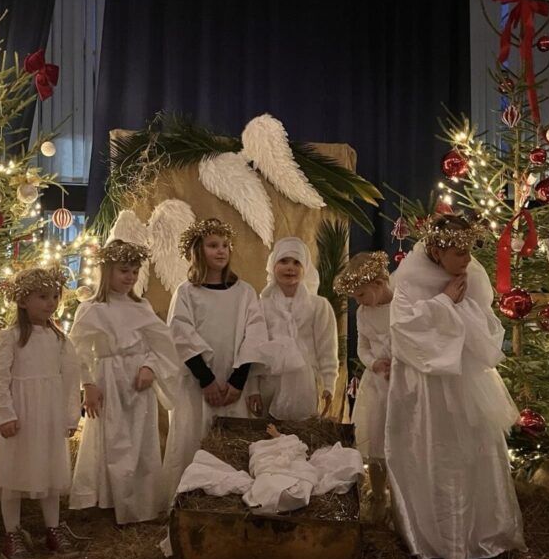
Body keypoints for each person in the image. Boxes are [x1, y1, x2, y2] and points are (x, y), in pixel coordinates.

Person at [385, 214, 525, 559]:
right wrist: (444, 302)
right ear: (436, 251)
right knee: (438, 455)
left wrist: (459, 309)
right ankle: (439, 542)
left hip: (466, 382)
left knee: (475, 453)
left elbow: (484, 325)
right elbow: (403, 330)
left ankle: (482, 538)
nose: (466, 259)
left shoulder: (471, 275)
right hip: (427, 390)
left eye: (469, 251)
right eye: (458, 252)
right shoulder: (409, 280)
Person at [69, 240, 181, 525]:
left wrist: (150, 366)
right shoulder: (92, 309)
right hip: (109, 380)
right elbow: (78, 350)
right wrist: (88, 384)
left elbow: (161, 344)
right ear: (107, 271)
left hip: (138, 382)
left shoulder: (141, 306)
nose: (130, 277)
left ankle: (141, 507)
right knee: (113, 441)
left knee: (141, 441)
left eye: (134, 271)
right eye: (123, 270)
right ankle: (112, 505)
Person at [161, 219, 269, 504]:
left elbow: (255, 335)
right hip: (198, 384)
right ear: (198, 250)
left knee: (230, 446)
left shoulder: (245, 292)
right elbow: (180, 334)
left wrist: (238, 380)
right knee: (194, 440)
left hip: (233, 383)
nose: (221, 251)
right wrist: (206, 380)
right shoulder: (187, 292)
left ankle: (230, 505)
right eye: (213, 245)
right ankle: (188, 504)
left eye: (224, 245)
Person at [0, 267, 82, 559]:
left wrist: (70, 416)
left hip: (48, 416)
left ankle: (53, 530)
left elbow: (70, 379)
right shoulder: (9, 338)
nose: (51, 303)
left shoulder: (60, 340)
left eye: (55, 297)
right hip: (21, 416)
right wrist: (5, 414)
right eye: (43, 297)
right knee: (12, 475)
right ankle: (12, 533)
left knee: (50, 474)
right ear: (23, 300)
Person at [246, 237, 338, 421]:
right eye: (284, 261)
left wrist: (328, 385)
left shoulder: (319, 306)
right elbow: (253, 350)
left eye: (297, 262)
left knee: (301, 434)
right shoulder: (261, 306)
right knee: (267, 434)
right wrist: (252, 388)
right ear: (273, 266)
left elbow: (327, 349)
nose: (290, 267)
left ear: (305, 268)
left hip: (305, 385)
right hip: (268, 383)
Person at [334, 251, 392, 523]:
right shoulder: (364, 312)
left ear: (379, 284)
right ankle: (378, 494)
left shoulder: (402, 304)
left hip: (403, 384)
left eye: (361, 295)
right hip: (378, 385)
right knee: (376, 439)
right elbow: (363, 347)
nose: (358, 301)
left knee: (399, 439)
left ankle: (403, 497)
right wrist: (374, 363)